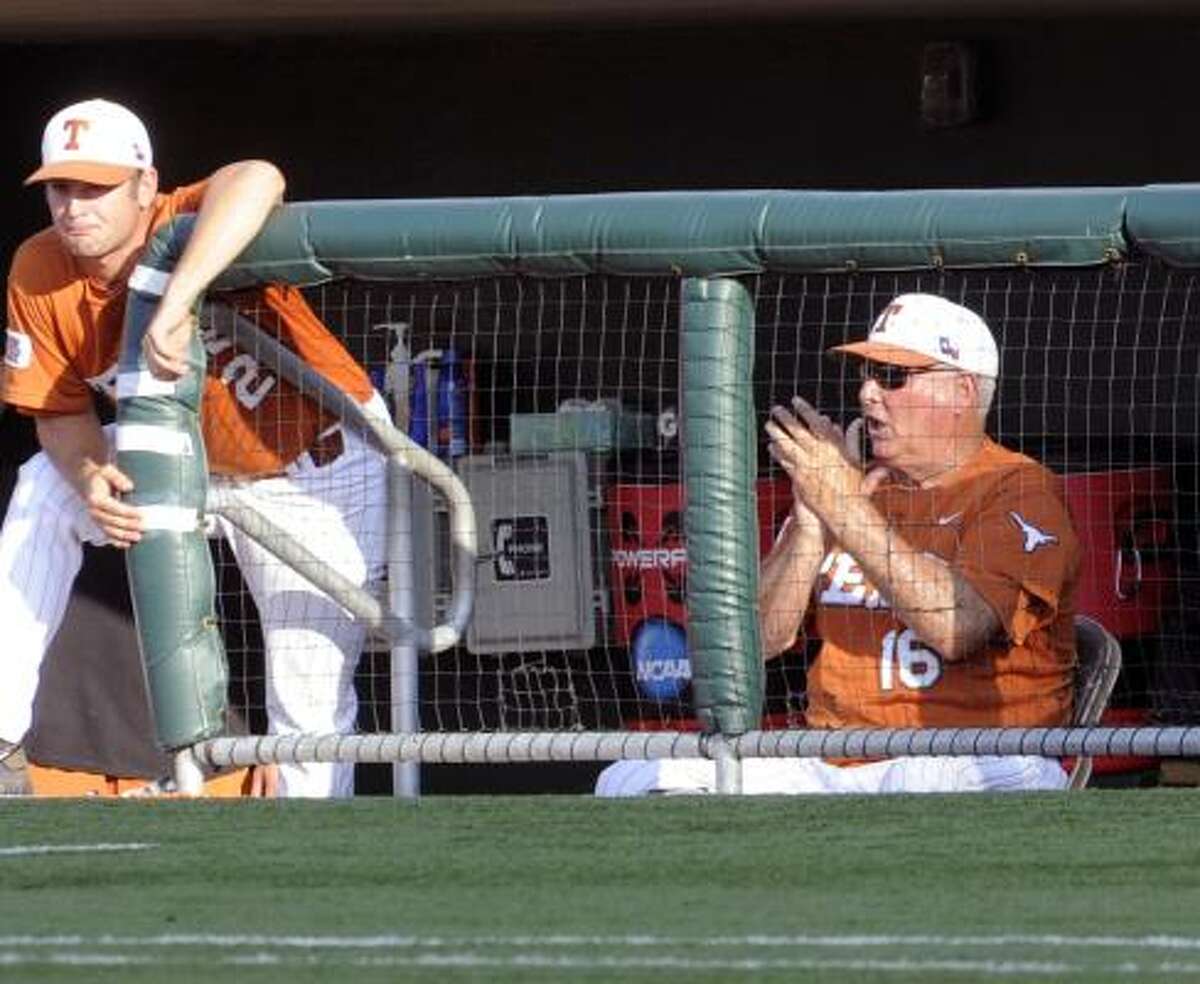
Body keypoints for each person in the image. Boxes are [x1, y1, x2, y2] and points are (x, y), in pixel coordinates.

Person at [0, 97, 389, 798]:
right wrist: (90, 471)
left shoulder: (184, 217)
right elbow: (56, 412)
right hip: (183, 457)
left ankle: (319, 870)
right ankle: (0, 742)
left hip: (313, 466)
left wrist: (177, 299)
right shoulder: (38, 268)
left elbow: (259, 176)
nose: (74, 206)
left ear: (144, 187)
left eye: (96, 187)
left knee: (307, 696)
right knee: (43, 487)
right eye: (62, 187)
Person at [596, 293, 1080, 796]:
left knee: (924, 776)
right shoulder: (853, 487)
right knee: (631, 778)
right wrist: (811, 519)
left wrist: (845, 509)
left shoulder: (1019, 488)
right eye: (867, 374)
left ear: (961, 390)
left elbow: (956, 629)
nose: (869, 393)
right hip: (834, 759)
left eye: (892, 376)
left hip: (986, 751)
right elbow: (756, 643)